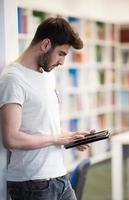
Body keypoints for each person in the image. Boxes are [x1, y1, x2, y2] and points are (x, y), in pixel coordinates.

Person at [0, 17, 95, 200]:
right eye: (61, 53)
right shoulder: (13, 78)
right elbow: (11, 138)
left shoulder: (47, 76)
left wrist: (71, 138)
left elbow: (45, 129)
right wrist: (56, 139)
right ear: (45, 44)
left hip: (59, 176)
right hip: (33, 184)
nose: (61, 62)